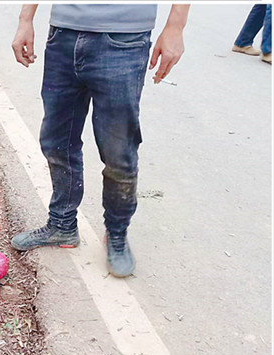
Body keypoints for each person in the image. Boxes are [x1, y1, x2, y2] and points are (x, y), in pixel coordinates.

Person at [10, 4, 189, 277]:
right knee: (57, 141)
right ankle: (62, 224)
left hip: (124, 40)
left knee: (119, 151)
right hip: (63, 35)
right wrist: (26, 18)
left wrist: (175, 26)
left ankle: (117, 235)